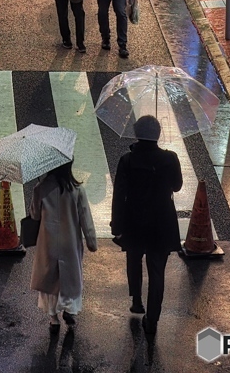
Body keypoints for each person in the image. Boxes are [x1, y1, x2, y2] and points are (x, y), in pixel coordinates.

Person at [111, 114, 183, 337]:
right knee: (157, 270)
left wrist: (117, 224)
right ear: (158, 135)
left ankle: (136, 299)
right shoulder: (170, 159)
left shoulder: (128, 160)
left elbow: (119, 194)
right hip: (162, 222)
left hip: (134, 220)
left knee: (134, 258)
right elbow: (178, 186)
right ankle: (152, 318)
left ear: (136, 134)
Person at [29, 160, 97, 331]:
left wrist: (37, 193)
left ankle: (53, 318)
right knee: (70, 278)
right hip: (70, 242)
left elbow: (35, 215)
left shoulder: (41, 188)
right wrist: (91, 242)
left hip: (48, 242)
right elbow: (86, 219)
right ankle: (70, 310)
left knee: (50, 279)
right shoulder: (77, 189)